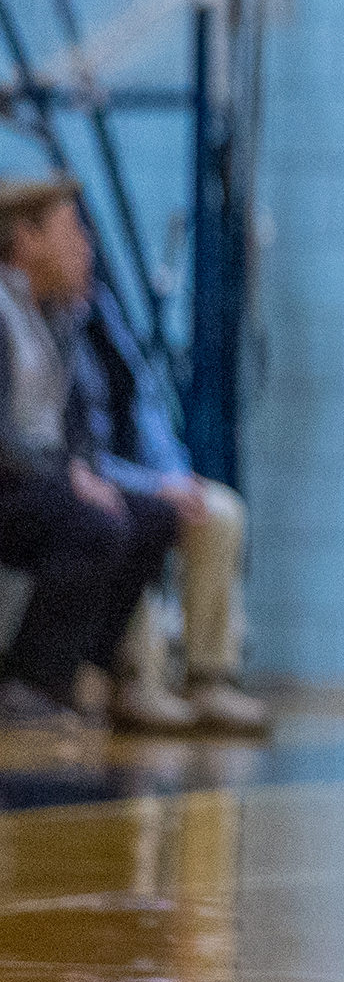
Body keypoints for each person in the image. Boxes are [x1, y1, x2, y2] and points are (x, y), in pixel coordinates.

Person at [0, 178, 180, 726]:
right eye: (71, 230)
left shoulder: (54, 316)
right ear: (26, 240)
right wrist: (66, 475)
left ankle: (89, 673)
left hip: (36, 481)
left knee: (152, 515)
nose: (85, 246)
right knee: (92, 523)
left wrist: (81, 472)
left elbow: (72, 429)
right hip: (11, 482)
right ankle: (31, 681)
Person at [63, 247, 265, 734]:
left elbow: (146, 406)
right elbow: (73, 443)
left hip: (136, 475)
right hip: (97, 476)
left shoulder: (104, 309)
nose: (87, 253)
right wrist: (153, 487)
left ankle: (207, 676)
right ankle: (136, 677)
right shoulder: (45, 321)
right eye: (73, 236)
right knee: (144, 517)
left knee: (220, 511)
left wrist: (175, 476)